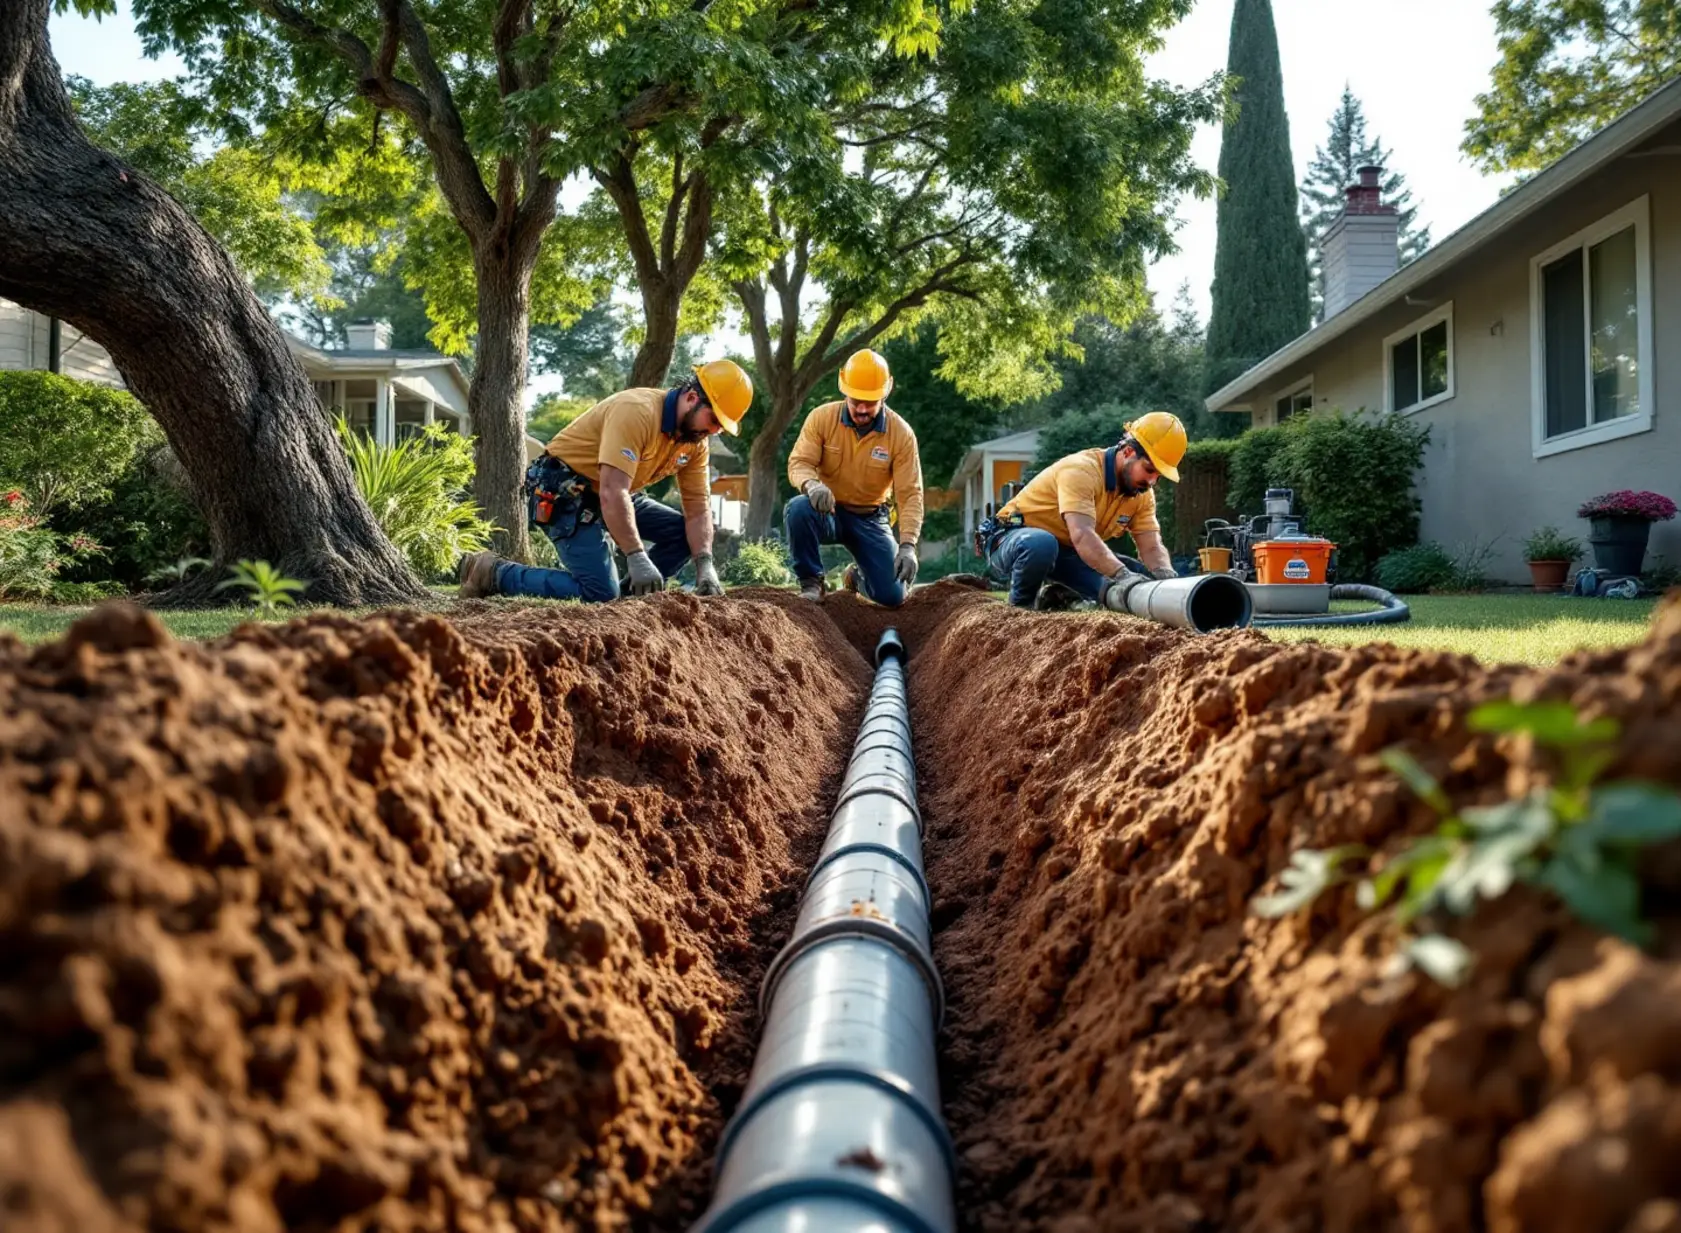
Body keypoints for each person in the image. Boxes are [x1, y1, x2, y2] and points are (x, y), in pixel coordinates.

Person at [458, 360, 753, 602]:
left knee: (681, 534)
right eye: (714, 420)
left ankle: (625, 599)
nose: (714, 431)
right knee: (598, 593)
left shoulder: (694, 443)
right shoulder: (637, 411)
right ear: (691, 398)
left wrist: (704, 563)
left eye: (721, 428)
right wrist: (636, 556)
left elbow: (698, 509)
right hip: (564, 488)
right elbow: (614, 491)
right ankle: (492, 572)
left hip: (611, 493)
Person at [978, 411, 1187, 611]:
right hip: (1011, 541)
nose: (1152, 481)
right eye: (1149, 469)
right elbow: (1082, 535)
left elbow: (1151, 546)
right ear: (1128, 452)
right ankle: (1019, 610)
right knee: (1042, 544)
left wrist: (1166, 577)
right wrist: (1121, 575)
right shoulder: (1082, 471)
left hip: (1065, 552)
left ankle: (1060, 594)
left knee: (1140, 578)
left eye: (1158, 475)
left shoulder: (1142, 494)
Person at [783, 349, 925, 606]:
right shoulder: (821, 418)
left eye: (869, 402)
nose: (861, 408)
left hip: (871, 517)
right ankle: (812, 583)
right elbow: (799, 462)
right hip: (828, 511)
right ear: (844, 390)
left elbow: (910, 494)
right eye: (855, 400)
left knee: (893, 597)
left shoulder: (901, 434)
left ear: (885, 392)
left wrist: (908, 546)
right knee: (798, 509)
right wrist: (812, 485)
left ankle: (857, 578)